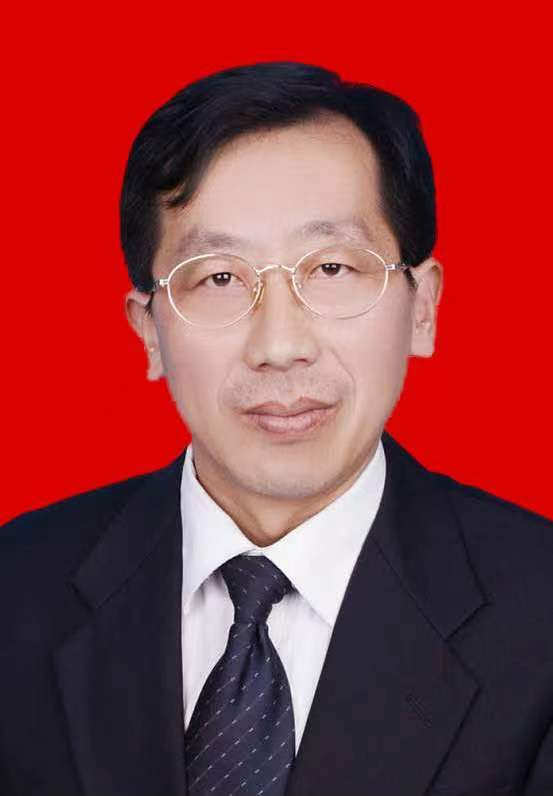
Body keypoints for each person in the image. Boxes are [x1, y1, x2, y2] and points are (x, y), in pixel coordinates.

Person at [1, 62, 552, 796]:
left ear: (422, 308)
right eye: (220, 278)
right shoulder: (17, 588)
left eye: (332, 269)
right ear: (149, 332)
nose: (280, 345)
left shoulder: (539, 612)